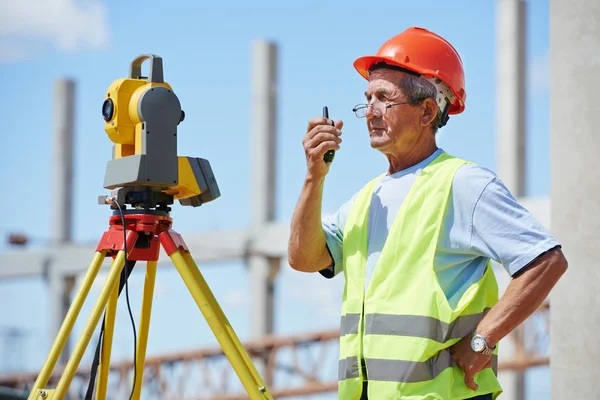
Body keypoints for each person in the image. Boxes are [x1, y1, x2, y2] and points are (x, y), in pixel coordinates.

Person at [287, 27, 568, 400]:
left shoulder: (463, 183)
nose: (369, 111)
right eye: (366, 99)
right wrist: (313, 178)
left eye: (384, 98)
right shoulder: (366, 199)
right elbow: (303, 258)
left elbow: (547, 261)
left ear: (427, 111)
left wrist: (483, 340)